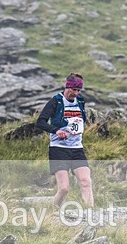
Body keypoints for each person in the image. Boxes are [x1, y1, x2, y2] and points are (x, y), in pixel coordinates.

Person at [36, 73, 94, 208]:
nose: (76, 93)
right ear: (67, 86)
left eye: (79, 90)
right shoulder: (56, 101)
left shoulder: (80, 101)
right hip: (58, 149)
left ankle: (89, 211)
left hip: (77, 148)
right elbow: (40, 122)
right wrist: (56, 130)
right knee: (64, 189)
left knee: (86, 181)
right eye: (74, 90)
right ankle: (54, 208)